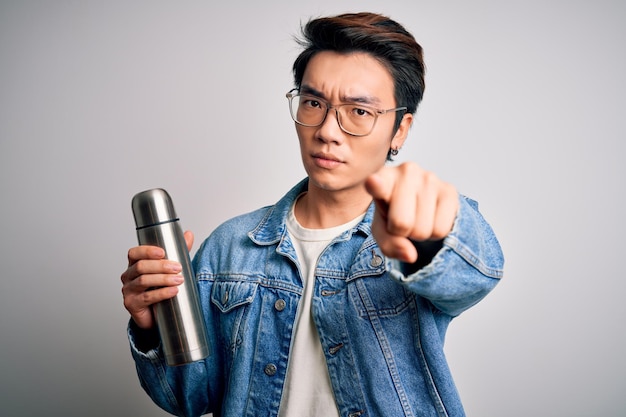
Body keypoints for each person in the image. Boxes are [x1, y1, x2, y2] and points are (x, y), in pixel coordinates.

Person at [121, 11, 504, 417]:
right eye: (313, 102)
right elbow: (189, 398)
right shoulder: (229, 248)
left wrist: (423, 240)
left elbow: (476, 273)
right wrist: (151, 326)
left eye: (359, 111)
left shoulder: (422, 219)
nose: (327, 130)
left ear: (400, 130)